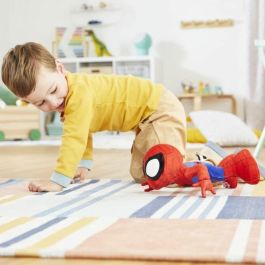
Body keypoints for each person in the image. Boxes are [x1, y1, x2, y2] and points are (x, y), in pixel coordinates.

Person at [1, 42, 187, 192]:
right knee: (141, 173)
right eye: (40, 103)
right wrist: (84, 164)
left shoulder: (79, 92)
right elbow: (83, 131)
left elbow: (74, 138)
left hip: (158, 109)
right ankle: (189, 160)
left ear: (59, 68)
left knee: (164, 172)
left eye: (53, 90)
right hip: (144, 121)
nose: (52, 102)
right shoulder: (66, 100)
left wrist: (58, 180)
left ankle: (208, 163)